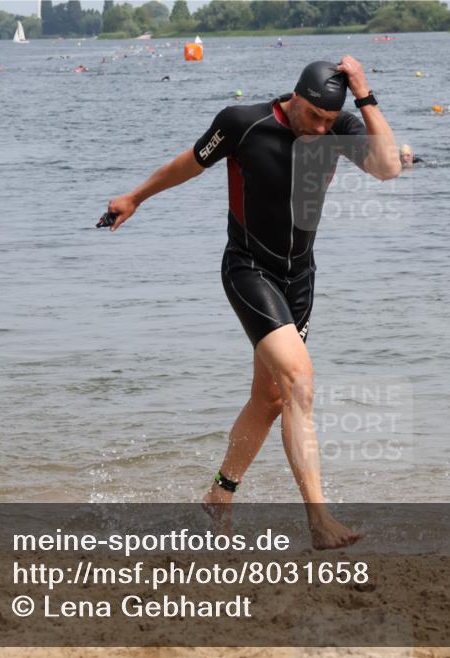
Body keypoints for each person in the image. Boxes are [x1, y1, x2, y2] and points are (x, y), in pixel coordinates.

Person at [104, 58, 401, 549]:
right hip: (249, 270)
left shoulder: (342, 126)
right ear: (295, 96)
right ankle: (320, 521)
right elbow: (191, 163)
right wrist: (136, 197)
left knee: (271, 399)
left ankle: (219, 494)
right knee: (299, 381)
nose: (320, 127)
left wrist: (365, 95)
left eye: (330, 119)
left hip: (300, 278)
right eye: (313, 115)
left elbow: (389, 168)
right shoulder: (244, 123)